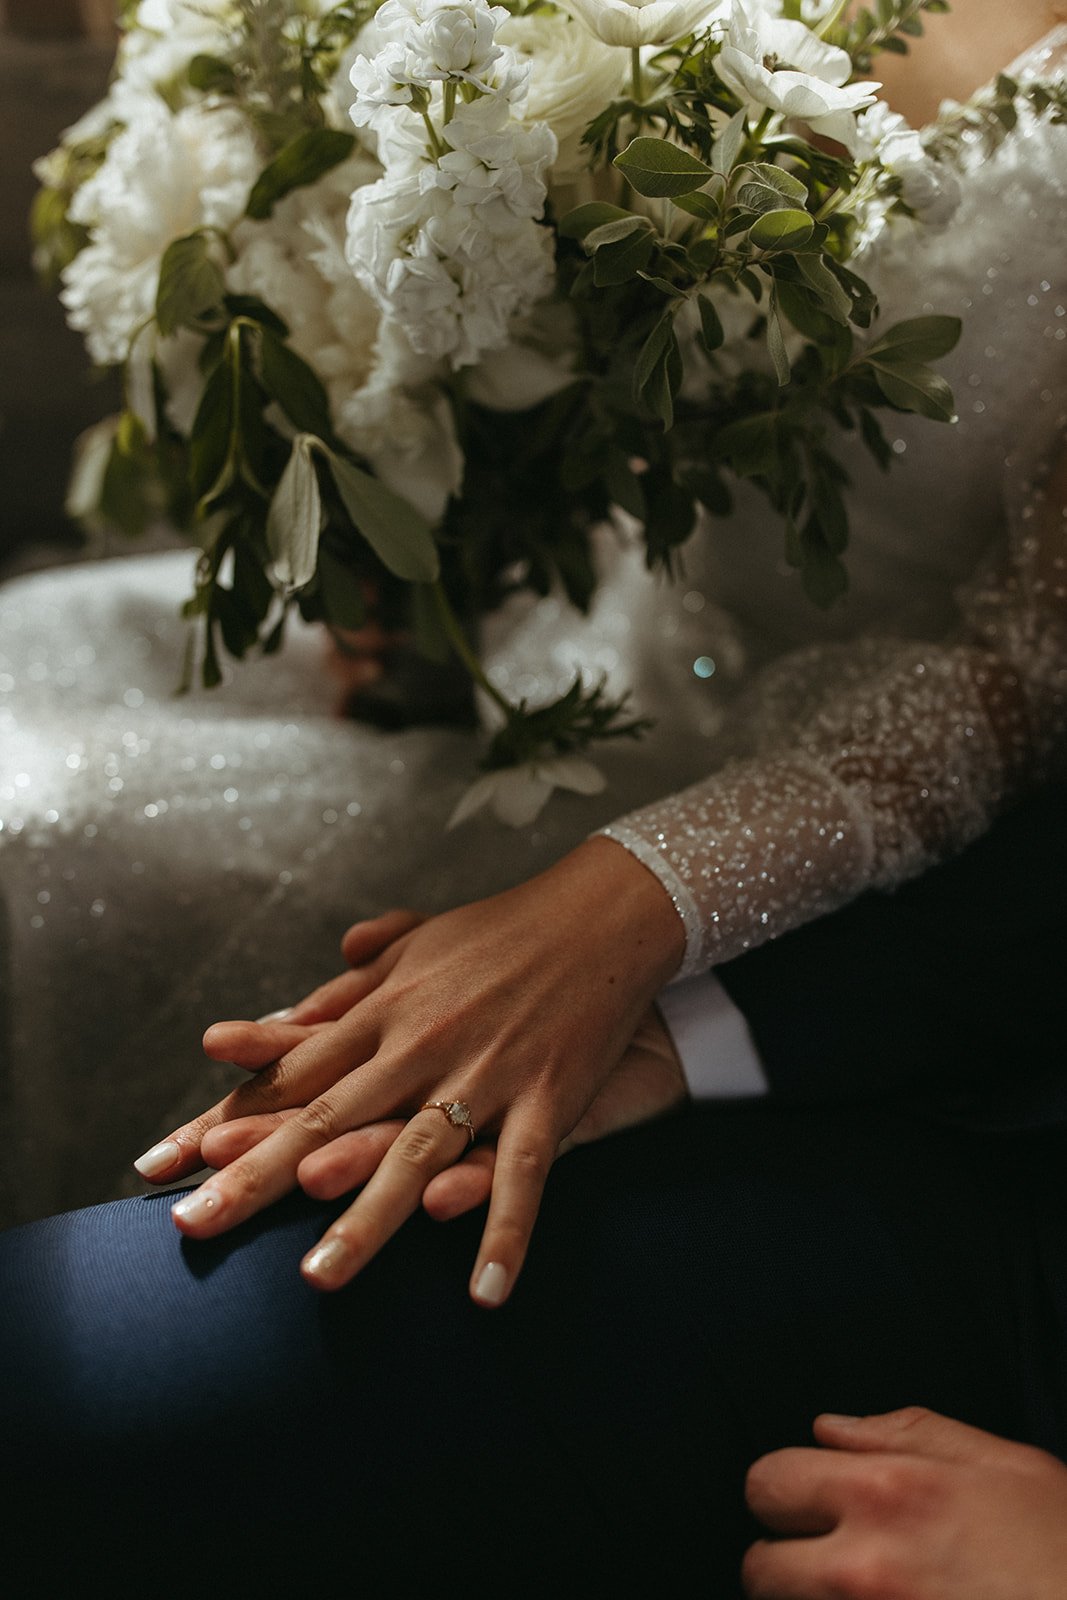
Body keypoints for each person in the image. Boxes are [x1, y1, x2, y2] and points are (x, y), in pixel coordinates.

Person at [1, 0, 1066, 1592]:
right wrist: (411, 527)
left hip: (833, 828)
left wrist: (641, 904)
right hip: (600, 654)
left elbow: (1025, 668)